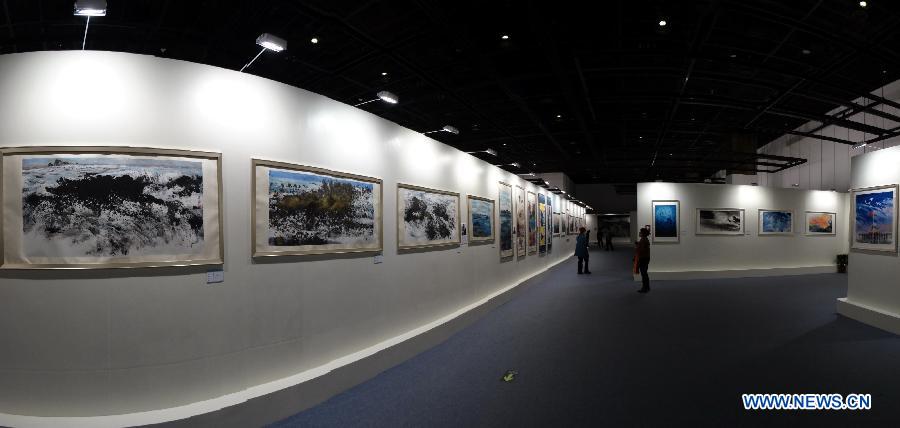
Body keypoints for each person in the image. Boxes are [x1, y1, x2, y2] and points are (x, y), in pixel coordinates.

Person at [636, 227, 651, 293]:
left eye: (640, 232)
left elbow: (642, 250)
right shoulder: (644, 239)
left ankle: (644, 288)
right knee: (645, 273)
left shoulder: (643, 240)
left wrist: (637, 247)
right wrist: (638, 244)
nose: (639, 233)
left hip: (643, 258)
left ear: (643, 233)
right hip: (645, 258)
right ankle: (647, 287)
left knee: (643, 273)